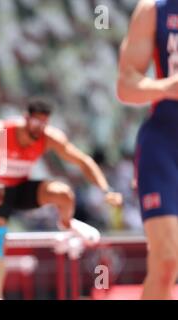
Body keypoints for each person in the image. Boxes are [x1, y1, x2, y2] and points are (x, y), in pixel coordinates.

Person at [0, 97, 123, 300]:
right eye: (35, 123)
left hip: (23, 187)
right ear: (26, 119)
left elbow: (82, 160)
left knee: (64, 193)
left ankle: (66, 223)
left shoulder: (49, 137)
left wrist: (106, 189)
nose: (39, 128)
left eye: (44, 124)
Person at [117, 0, 178, 300]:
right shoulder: (154, 9)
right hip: (165, 143)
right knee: (167, 261)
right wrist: (167, 86)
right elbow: (125, 86)